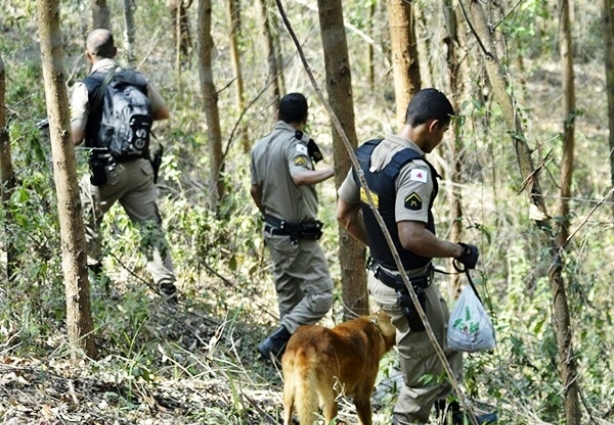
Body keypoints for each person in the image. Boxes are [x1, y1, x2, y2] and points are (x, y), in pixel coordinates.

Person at [336, 88, 497, 424]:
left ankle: (452, 414)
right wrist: (458, 250)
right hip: (406, 290)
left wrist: (383, 252)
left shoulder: (367, 152)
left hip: (391, 280)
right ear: (434, 126)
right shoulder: (414, 171)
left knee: (449, 342)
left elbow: (345, 214)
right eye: (444, 133)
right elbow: (411, 236)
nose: (441, 140)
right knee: (420, 380)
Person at [70, 29, 178, 301]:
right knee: (150, 228)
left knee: (87, 222)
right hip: (141, 169)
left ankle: (93, 278)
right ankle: (167, 287)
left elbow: (75, 136)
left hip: (106, 172)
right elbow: (163, 113)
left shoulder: (86, 86)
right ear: (115, 52)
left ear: (88, 55)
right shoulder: (137, 80)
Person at [250, 92, 335, 361]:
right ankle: (277, 342)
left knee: (290, 300)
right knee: (321, 294)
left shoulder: (260, 146)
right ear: (305, 118)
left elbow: (255, 190)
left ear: (278, 115)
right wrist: (335, 170)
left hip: (274, 232)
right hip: (298, 238)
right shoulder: (295, 145)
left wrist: (270, 213)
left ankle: (285, 361)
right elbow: (299, 175)